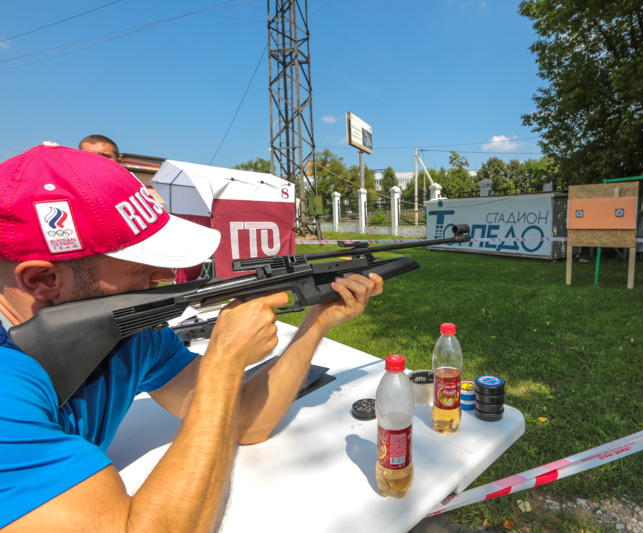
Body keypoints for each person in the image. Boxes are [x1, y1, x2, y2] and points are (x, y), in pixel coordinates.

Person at [0, 143, 383, 531]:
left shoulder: (128, 335)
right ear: (43, 279)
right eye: (141, 266)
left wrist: (316, 322)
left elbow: (246, 421)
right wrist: (223, 364)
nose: (166, 277)